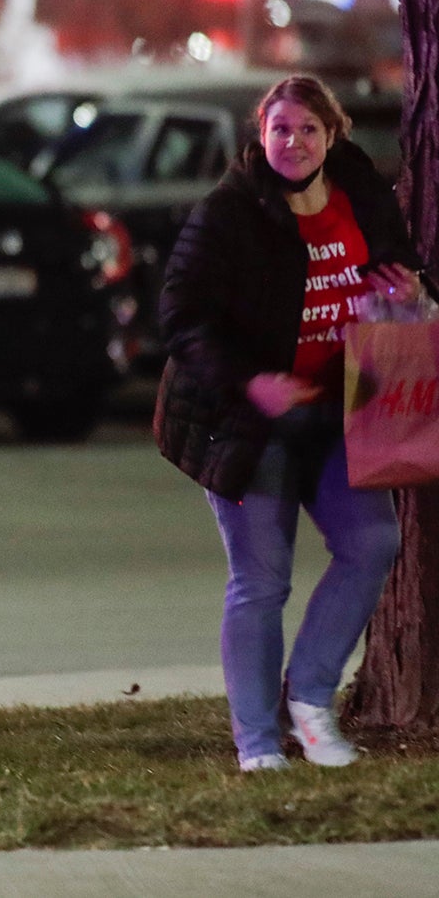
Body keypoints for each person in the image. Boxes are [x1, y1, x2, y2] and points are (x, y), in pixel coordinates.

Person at [155, 75, 425, 772]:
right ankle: (257, 741)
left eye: (308, 129)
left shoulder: (361, 193)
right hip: (246, 421)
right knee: (262, 579)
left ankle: (309, 698)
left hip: (338, 413)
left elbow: (405, 266)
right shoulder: (230, 211)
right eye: (281, 129)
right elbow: (180, 316)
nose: (294, 142)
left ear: (332, 136)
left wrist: (414, 288)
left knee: (373, 541)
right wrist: (252, 381)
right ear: (261, 133)